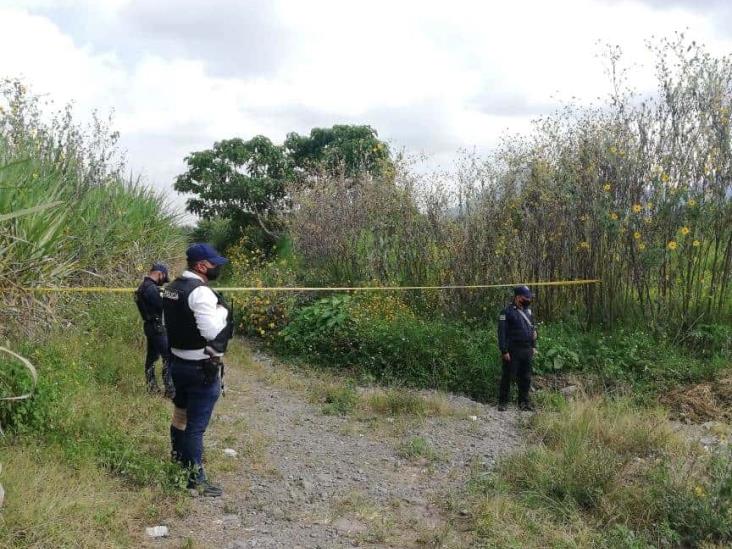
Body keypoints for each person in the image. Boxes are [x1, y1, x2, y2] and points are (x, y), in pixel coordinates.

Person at [163, 243, 233, 497]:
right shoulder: (201, 293)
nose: (218, 267)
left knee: (180, 415)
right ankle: (195, 478)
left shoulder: (172, 288)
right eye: (215, 263)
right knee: (195, 426)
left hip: (177, 363)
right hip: (199, 368)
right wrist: (223, 311)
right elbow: (212, 332)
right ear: (202, 266)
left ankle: (178, 460)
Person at [134, 262, 174, 397]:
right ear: (159, 274)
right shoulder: (150, 289)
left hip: (150, 326)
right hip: (157, 328)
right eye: (164, 278)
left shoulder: (143, 287)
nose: (163, 282)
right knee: (169, 357)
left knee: (151, 357)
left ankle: (151, 387)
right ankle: (170, 390)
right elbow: (162, 306)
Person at [497, 285, 538, 411]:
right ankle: (503, 402)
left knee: (525, 378)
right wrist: (504, 350)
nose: (528, 300)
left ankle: (523, 403)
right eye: (526, 297)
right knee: (508, 377)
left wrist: (534, 345)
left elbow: (532, 330)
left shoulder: (528, 312)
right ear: (518, 297)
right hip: (512, 350)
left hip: (526, 350)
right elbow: (502, 332)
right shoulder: (506, 312)